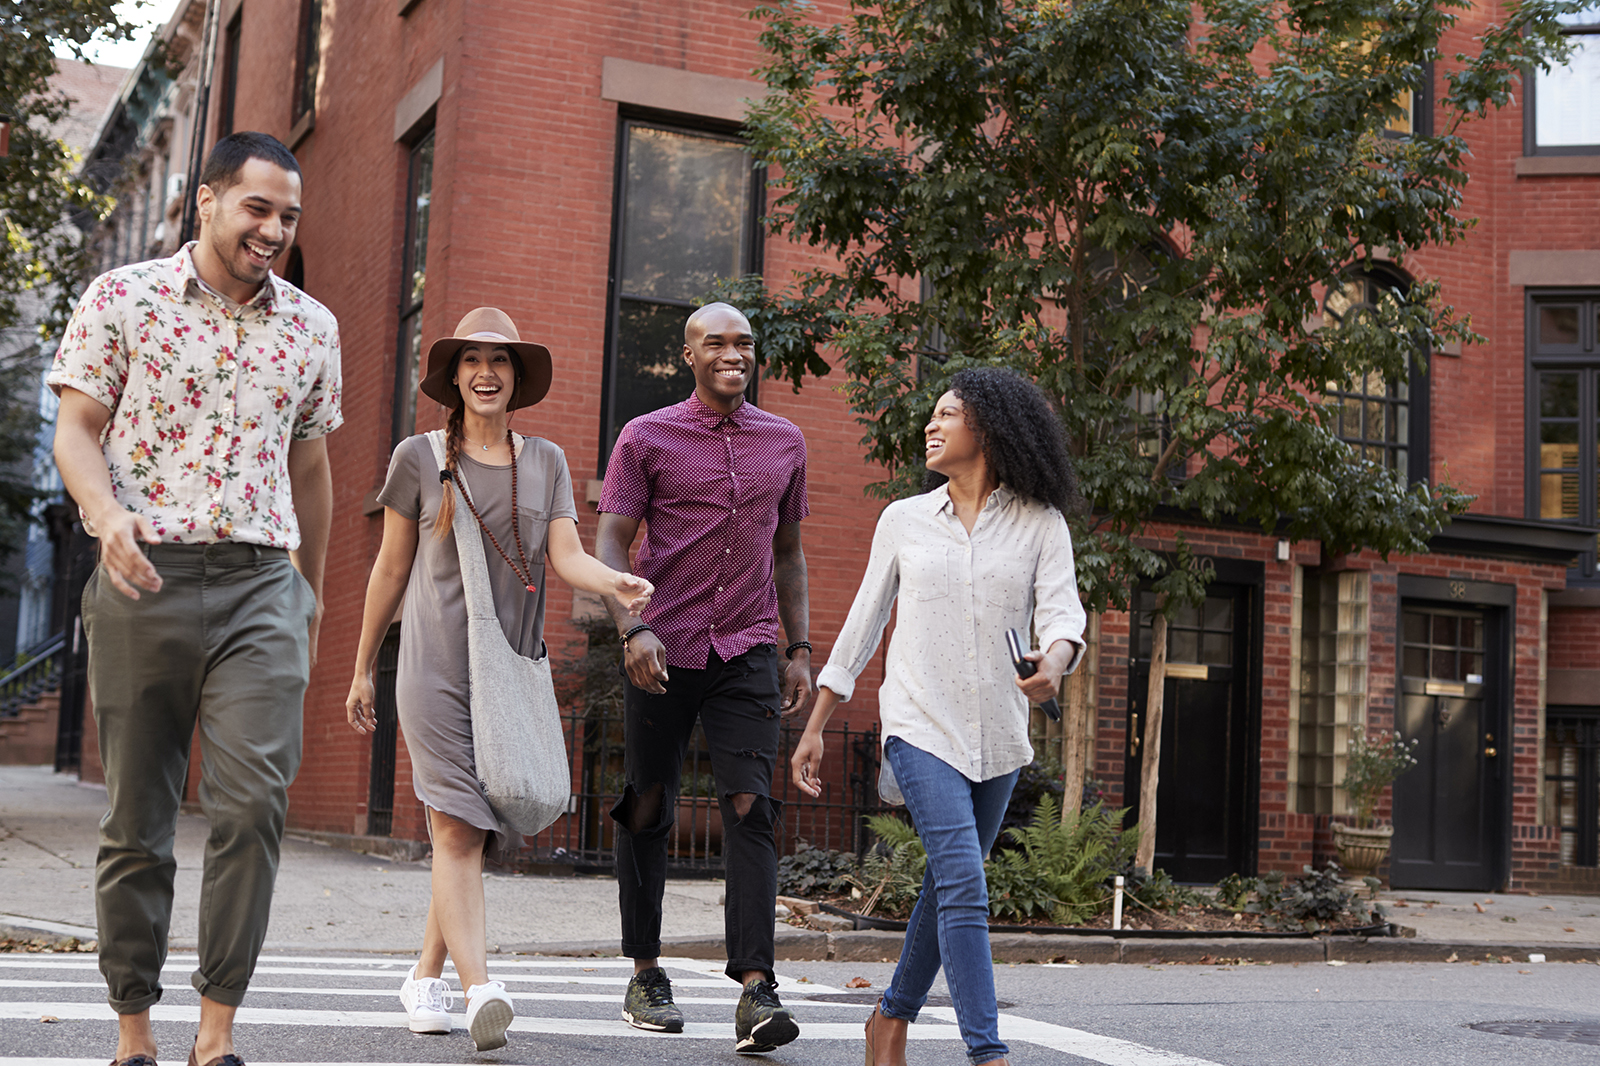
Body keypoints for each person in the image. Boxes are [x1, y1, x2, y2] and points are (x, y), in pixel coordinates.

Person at [49, 131, 340, 1066]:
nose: (274, 229)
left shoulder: (311, 326)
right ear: (208, 199)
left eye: (288, 215)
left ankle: (215, 1039)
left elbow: (313, 463)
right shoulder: (123, 298)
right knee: (138, 819)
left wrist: (312, 593)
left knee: (253, 804)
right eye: (258, 207)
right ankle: (133, 1029)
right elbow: (77, 429)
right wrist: (105, 515)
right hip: (144, 581)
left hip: (261, 584)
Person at [344, 307, 653, 1051]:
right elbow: (391, 568)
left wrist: (616, 581)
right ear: (453, 376)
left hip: (507, 668)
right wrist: (361, 666)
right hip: (433, 666)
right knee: (454, 825)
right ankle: (482, 986)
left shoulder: (542, 459)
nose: (486, 372)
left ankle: (425, 975)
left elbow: (566, 559)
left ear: (516, 378)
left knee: (470, 831)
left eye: (500, 361)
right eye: (472, 360)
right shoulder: (418, 458)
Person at [792, 367, 1087, 1066]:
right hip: (920, 726)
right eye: (932, 414)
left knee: (947, 883)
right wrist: (816, 724)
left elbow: (1063, 613)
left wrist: (1054, 662)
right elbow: (864, 625)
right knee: (966, 883)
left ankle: (889, 1018)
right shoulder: (904, 519)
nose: (931, 424)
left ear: (986, 426)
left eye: (947, 414)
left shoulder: (1040, 524)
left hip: (999, 738)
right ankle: (988, 1052)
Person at [595, 301, 812, 1054]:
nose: (733, 353)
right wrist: (632, 627)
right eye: (715, 342)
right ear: (688, 355)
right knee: (647, 802)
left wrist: (801, 648)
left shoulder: (784, 441)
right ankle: (646, 972)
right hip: (664, 644)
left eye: (744, 343)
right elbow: (611, 538)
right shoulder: (645, 437)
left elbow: (788, 553)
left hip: (748, 648)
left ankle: (757, 989)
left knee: (750, 808)